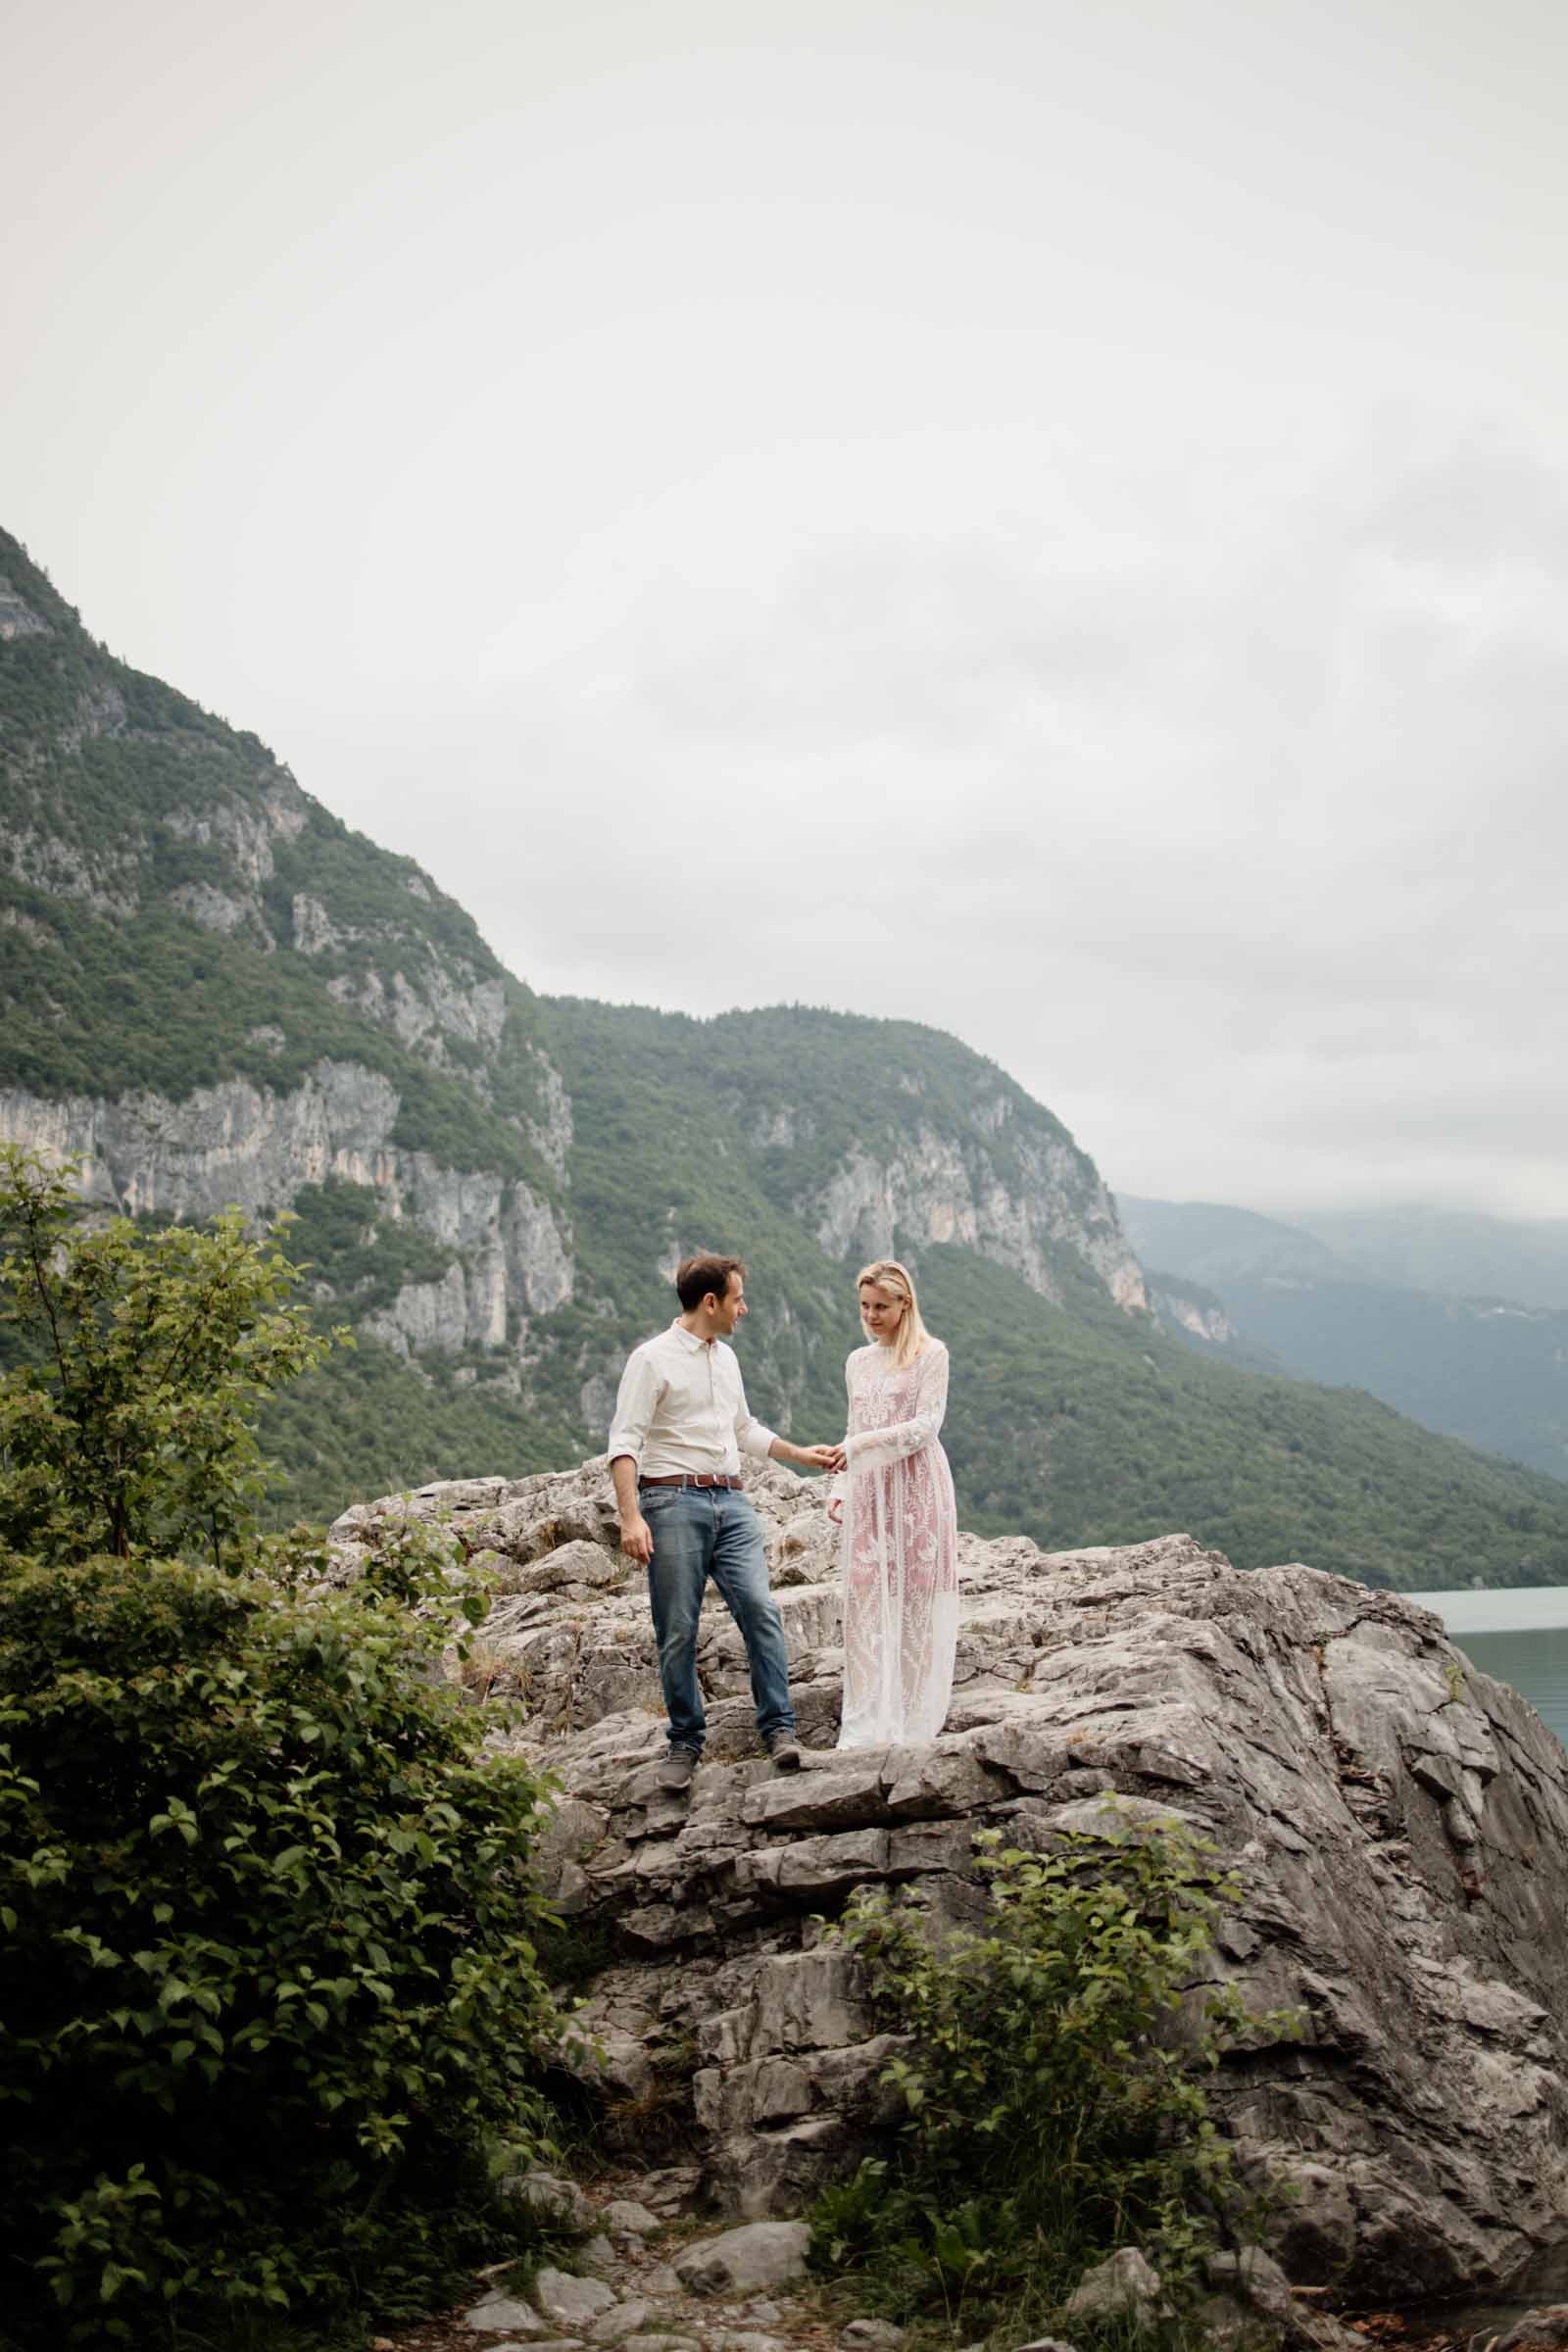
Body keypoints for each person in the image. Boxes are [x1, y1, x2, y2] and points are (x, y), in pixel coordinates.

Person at [609, 1252, 846, 1791]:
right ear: (710, 1302)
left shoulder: (727, 1360)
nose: (745, 1308)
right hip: (672, 1503)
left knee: (761, 1610)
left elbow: (744, 1430)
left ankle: (780, 1730)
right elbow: (624, 1443)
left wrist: (800, 1455)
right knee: (678, 1629)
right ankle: (686, 1741)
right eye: (738, 1299)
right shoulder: (651, 1359)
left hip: (733, 1503)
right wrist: (630, 1518)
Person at [828, 1258, 957, 1747]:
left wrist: (860, 1448)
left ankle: (910, 1716)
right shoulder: (857, 1361)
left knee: (915, 1599)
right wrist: (840, 1486)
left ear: (905, 1304)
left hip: (917, 1486)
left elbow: (926, 1426)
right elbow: (852, 1426)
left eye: (882, 1306)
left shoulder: (932, 1354)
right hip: (868, 1490)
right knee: (866, 1595)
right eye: (864, 1306)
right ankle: (866, 1718)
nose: (872, 1315)